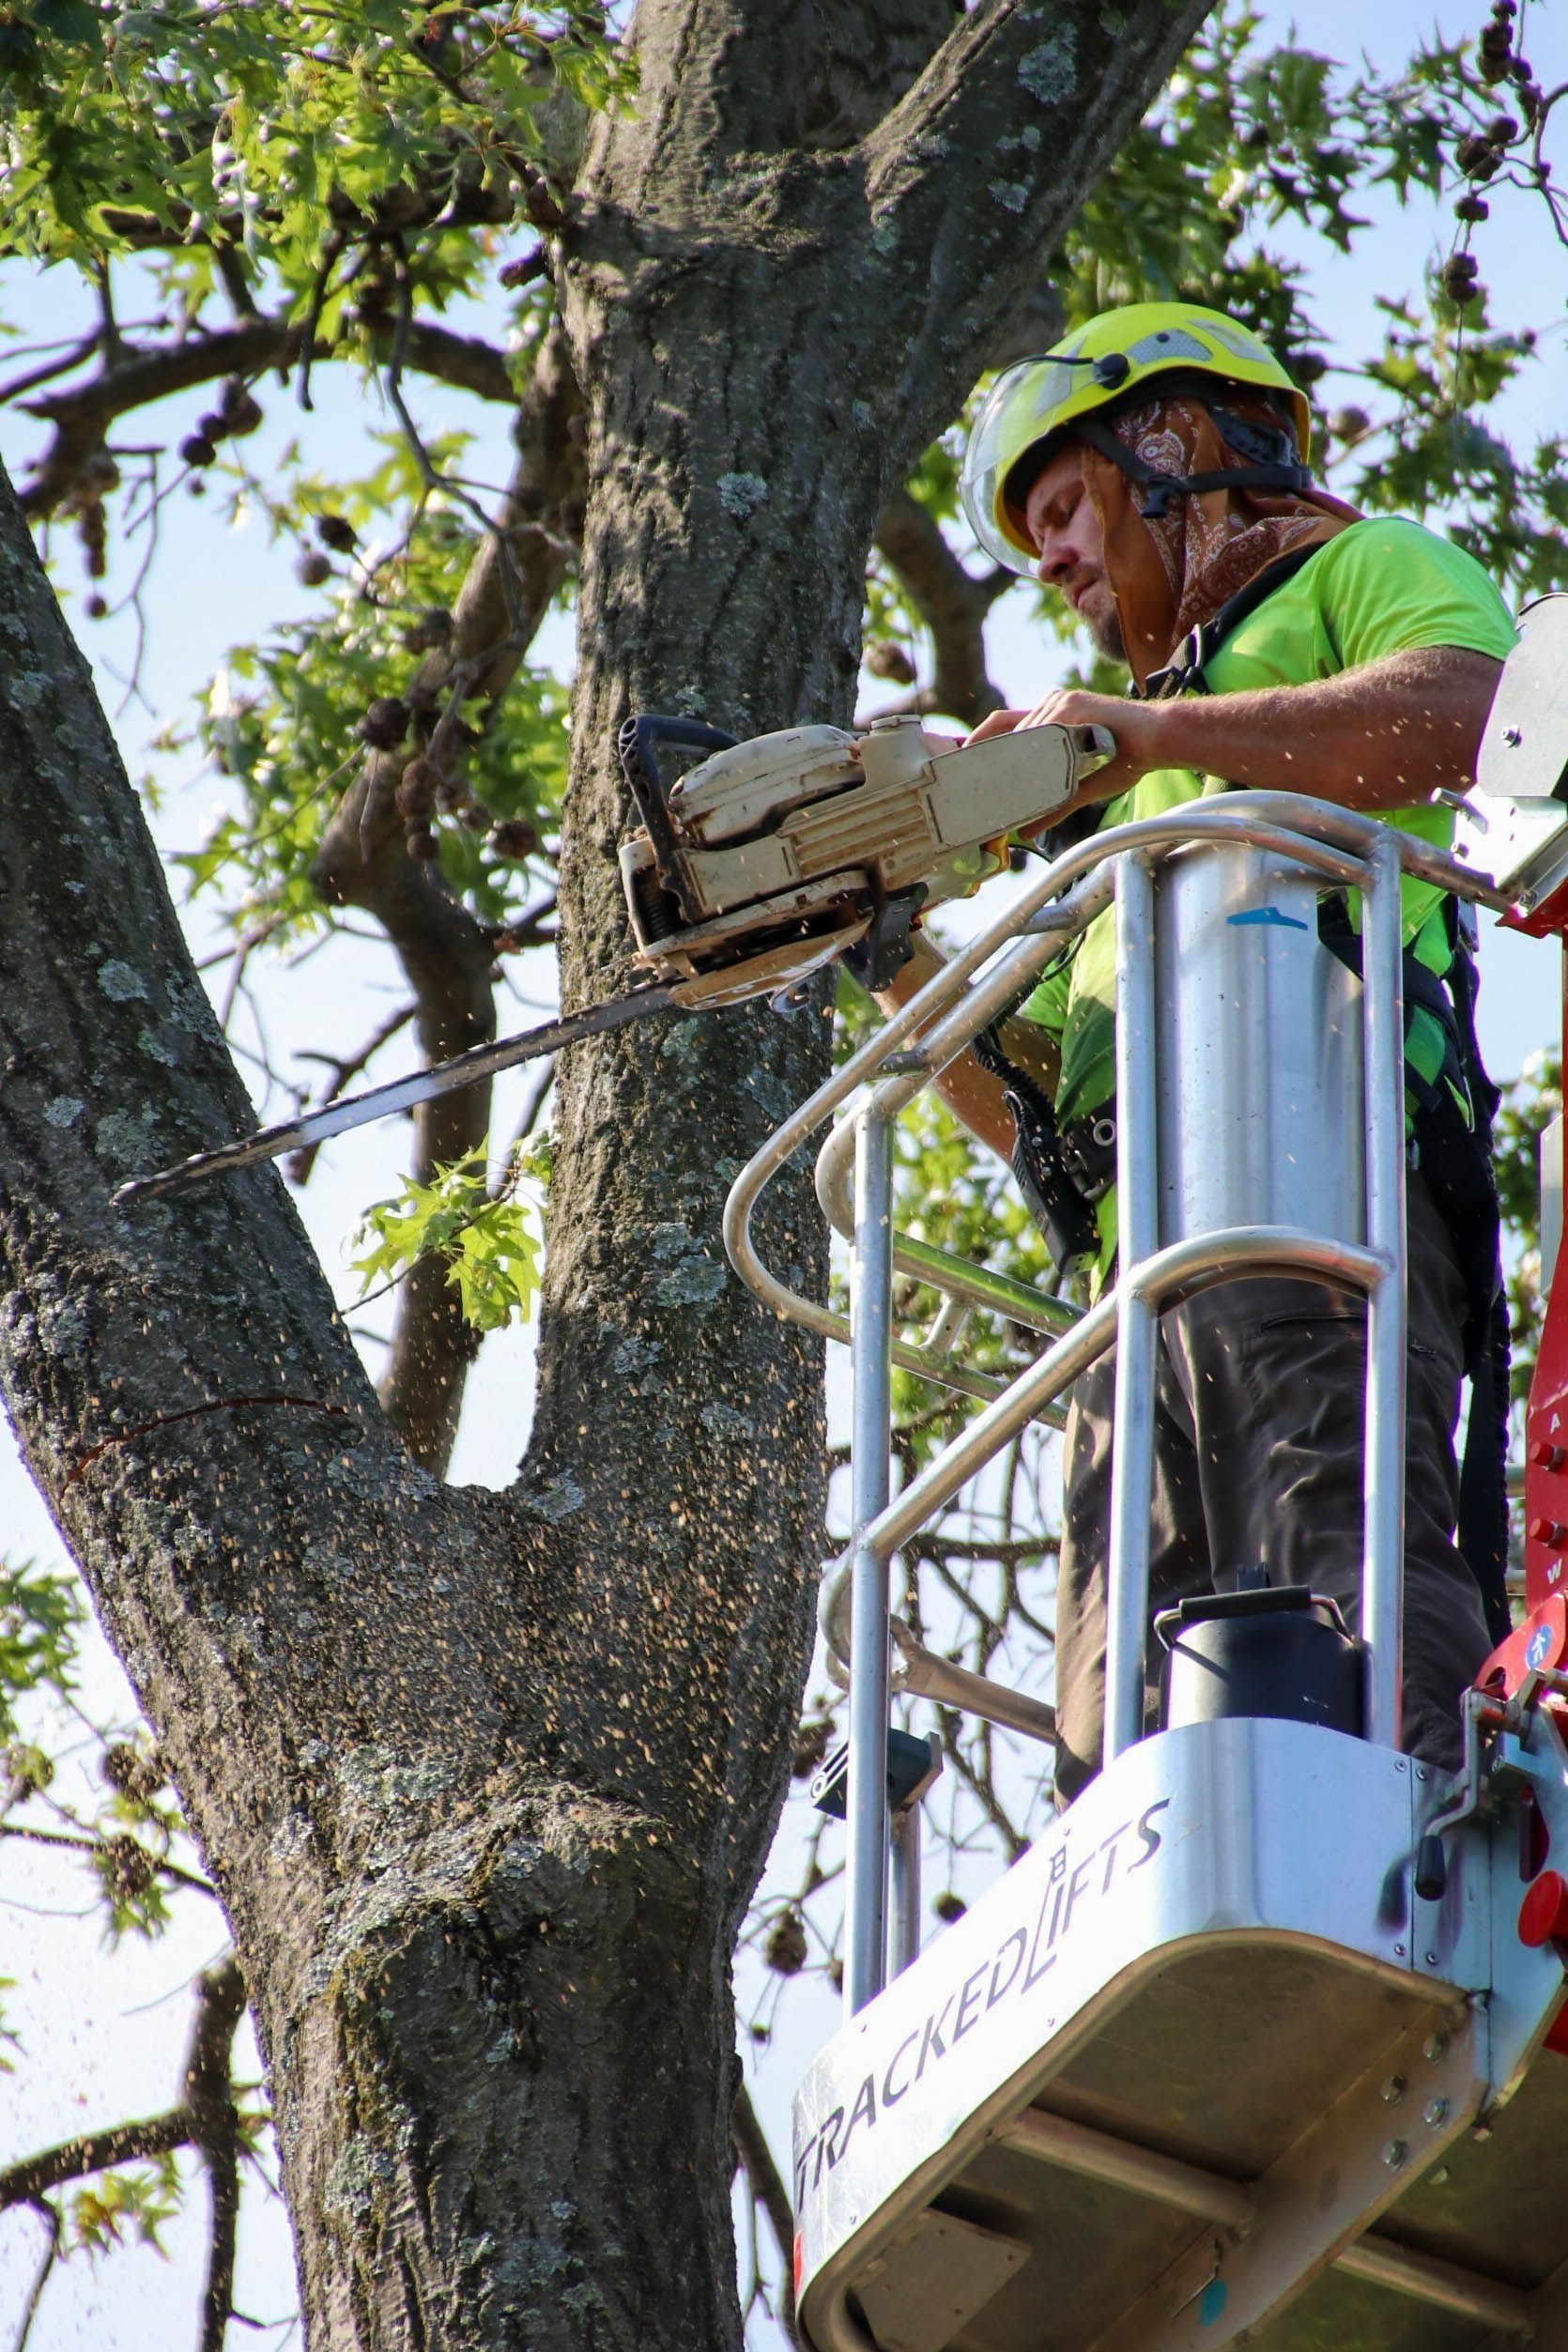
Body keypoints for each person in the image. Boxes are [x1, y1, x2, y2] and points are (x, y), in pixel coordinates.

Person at [883, 301, 1516, 1799]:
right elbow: (1050, 1104)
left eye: (1059, 507)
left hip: (1323, 1169)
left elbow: (1470, 713)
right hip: (1136, 1272)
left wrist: (1161, 742)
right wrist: (885, 952)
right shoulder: (1126, 778)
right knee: (1120, 1664)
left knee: (1330, 1526)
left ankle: (1423, 1831)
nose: (1046, 562)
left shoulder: (1354, 570)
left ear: (1173, 447)